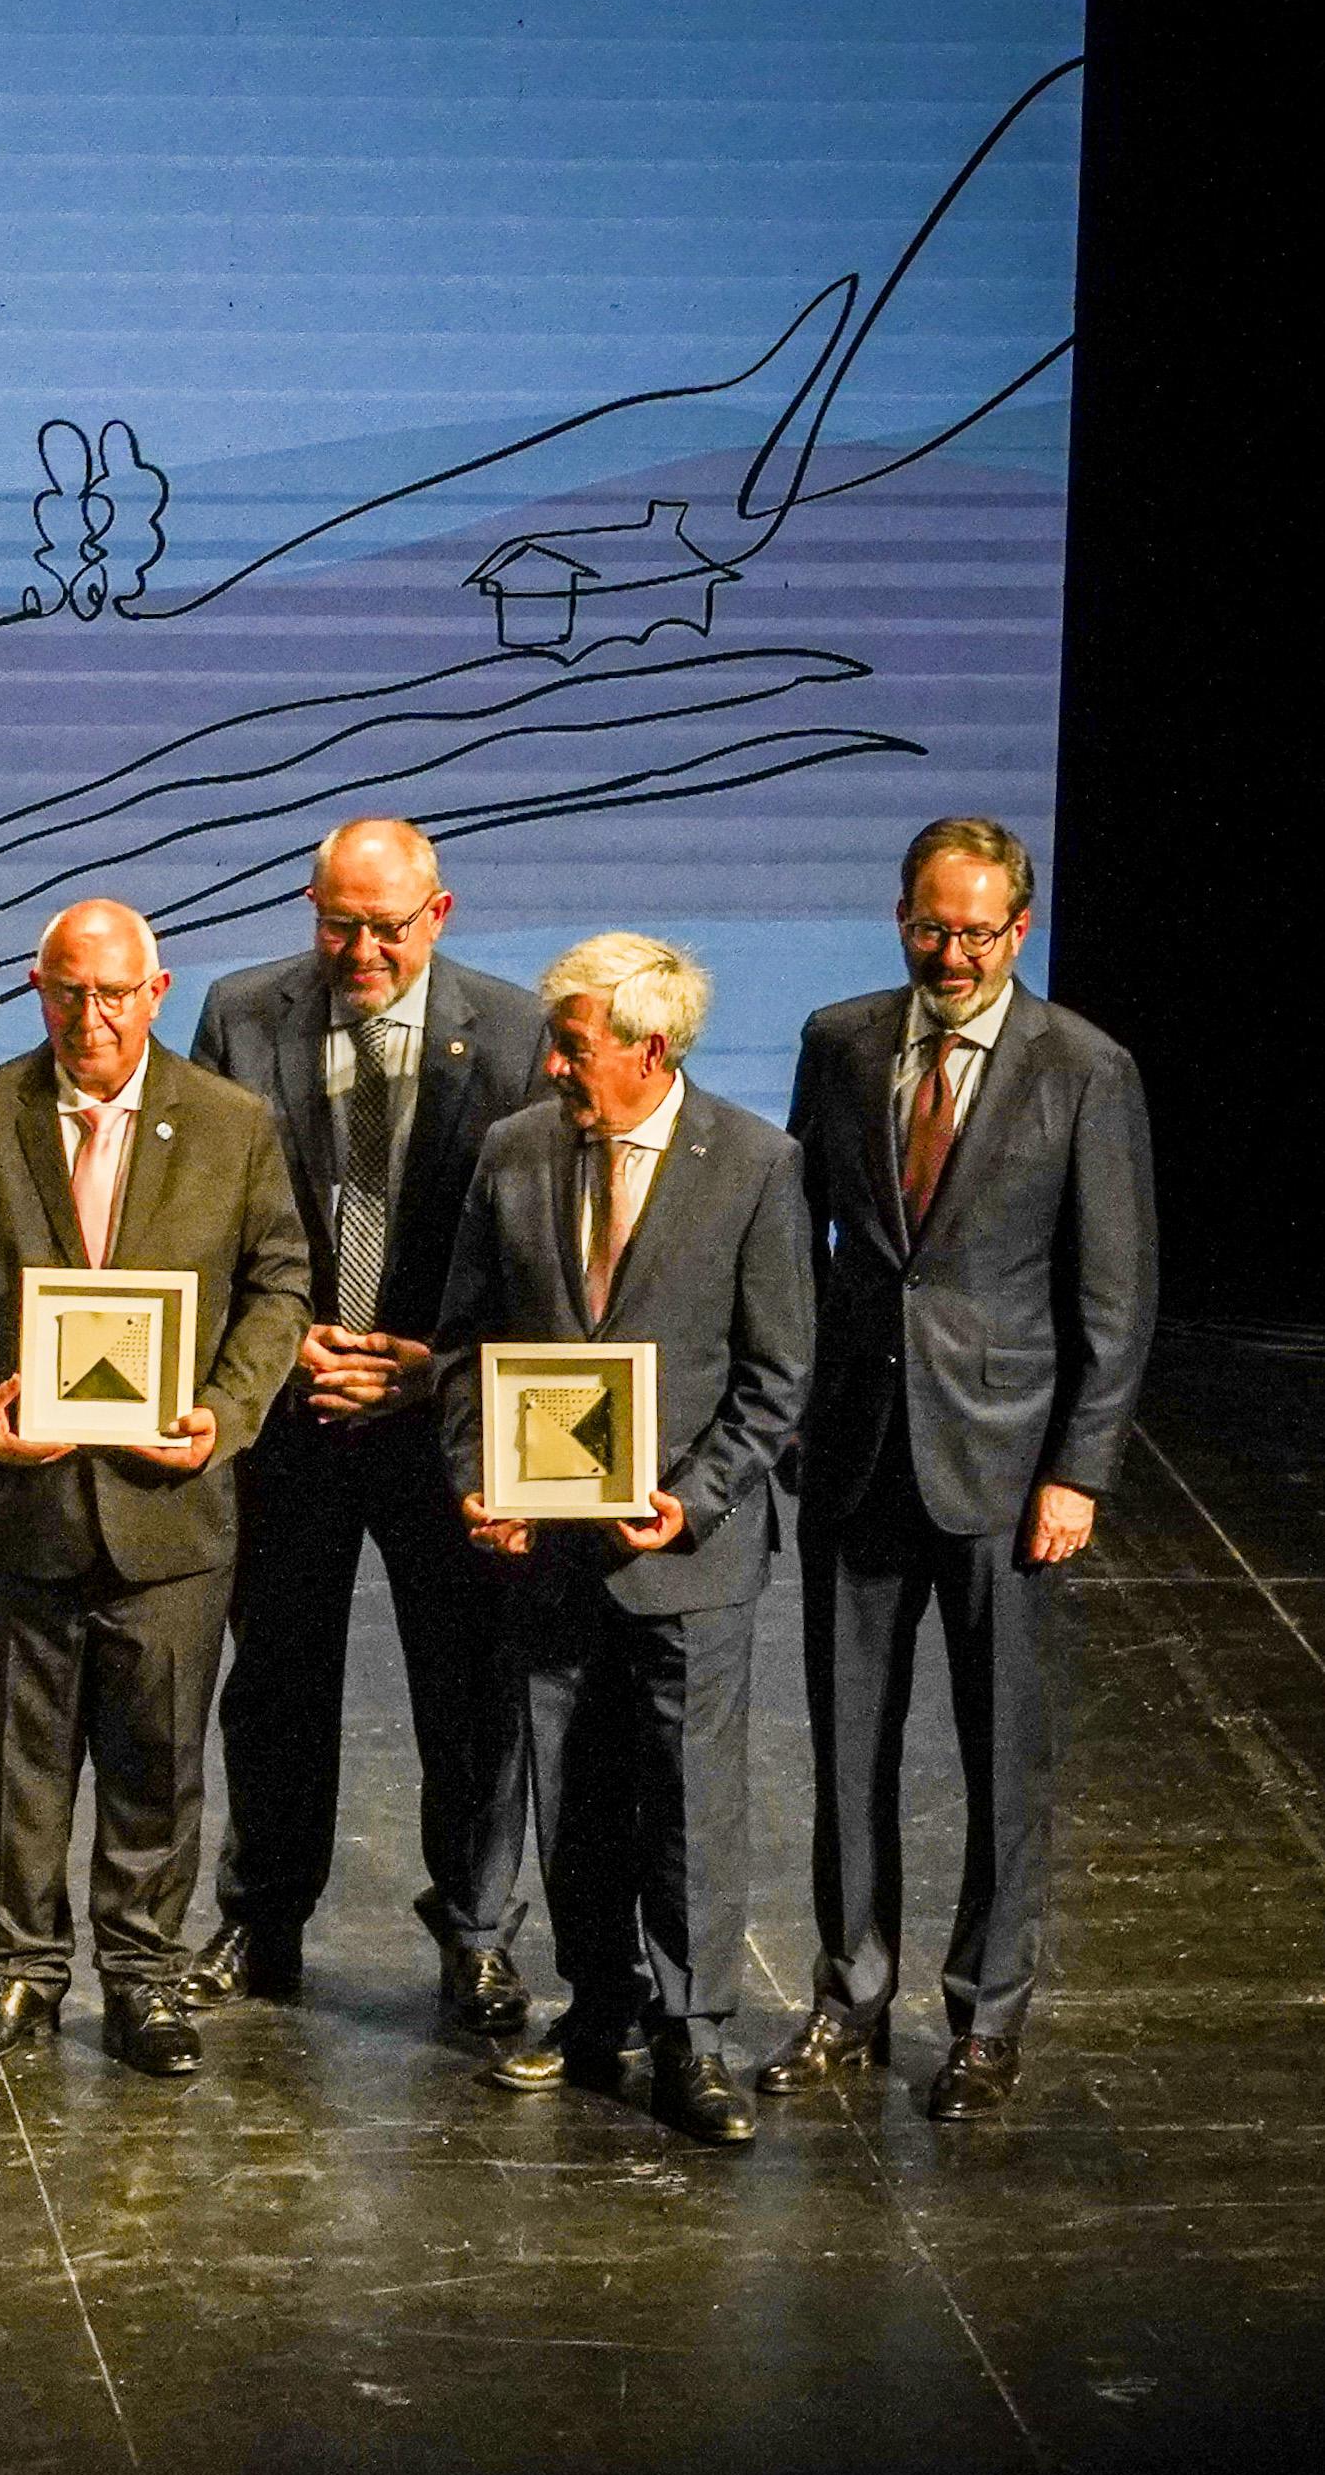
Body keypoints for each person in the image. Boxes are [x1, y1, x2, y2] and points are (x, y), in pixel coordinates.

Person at [0, 900, 308, 2077]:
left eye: (115, 993)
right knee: (17, 1765)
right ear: (37, 988)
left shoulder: (232, 1124)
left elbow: (280, 1287)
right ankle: (17, 1974)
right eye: (71, 991)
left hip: (171, 1510)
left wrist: (223, 1416)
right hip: (18, 1506)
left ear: (157, 991)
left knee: (157, 1760)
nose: (92, 1016)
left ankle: (142, 1979)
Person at [772, 819, 1151, 2121]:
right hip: (855, 1450)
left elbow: (1113, 1294)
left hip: (1003, 1463)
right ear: (899, 915)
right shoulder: (837, 1040)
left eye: (974, 932)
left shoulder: (1081, 1068)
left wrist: (1078, 1470)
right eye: (929, 926)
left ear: (1017, 929)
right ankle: (847, 1995)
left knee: (999, 1758)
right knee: (844, 1749)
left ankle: (985, 2019)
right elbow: (798, 1241)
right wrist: (789, 1411)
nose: (949, 951)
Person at [448, 933, 815, 2148]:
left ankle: (694, 2034)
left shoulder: (755, 1165)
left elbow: (775, 1374)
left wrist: (692, 1500)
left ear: (651, 1047)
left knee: (689, 1802)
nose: (552, 1062)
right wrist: (477, 1476)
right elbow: (463, 1345)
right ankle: (596, 2005)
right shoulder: (513, 1153)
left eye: (573, 1042)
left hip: (683, 1552)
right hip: (547, 1549)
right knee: (573, 1793)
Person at [183, 818, 549, 2026]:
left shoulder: (516, 1033)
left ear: (437, 916)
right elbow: (206, 1215)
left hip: (441, 1417)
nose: (361, 947)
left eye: (386, 926)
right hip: (292, 1414)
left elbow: (538, 1256)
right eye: (338, 922)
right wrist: (281, 1344)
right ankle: (261, 1916)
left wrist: (435, 1366)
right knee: (276, 1676)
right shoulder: (243, 1015)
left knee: (469, 1684)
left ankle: (477, 1931)